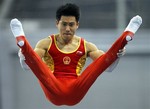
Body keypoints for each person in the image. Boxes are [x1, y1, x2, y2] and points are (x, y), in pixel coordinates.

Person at [10, 3, 142, 106]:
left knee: (103, 61)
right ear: (57, 23)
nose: (67, 29)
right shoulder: (46, 43)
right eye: (64, 24)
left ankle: (125, 37)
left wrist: (116, 57)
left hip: (76, 90)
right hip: (52, 88)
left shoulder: (87, 46)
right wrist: (23, 57)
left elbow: (107, 67)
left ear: (77, 25)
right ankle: (22, 42)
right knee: (36, 63)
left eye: (71, 25)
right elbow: (29, 66)